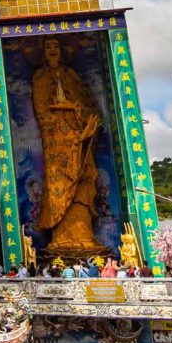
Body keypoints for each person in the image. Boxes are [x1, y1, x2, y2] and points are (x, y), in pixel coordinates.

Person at [32, 38, 102, 256]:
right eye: (48, 47)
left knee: (84, 181)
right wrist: (64, 116)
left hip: (78, 140)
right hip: (58, 146)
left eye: (56, 46)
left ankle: (85, 236)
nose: (53, 50)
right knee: (60, 188)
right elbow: (43, 114)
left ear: (62, 50)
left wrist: (82, 122)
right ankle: (62, 238)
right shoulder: (40, 78)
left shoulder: (71, 75)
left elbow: (88, 107)